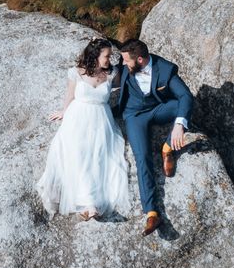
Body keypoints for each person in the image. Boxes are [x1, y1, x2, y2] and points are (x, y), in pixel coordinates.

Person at [36, 37, 130, 221]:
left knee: (97, 157)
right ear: (95, 55)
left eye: (110, 56)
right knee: (79, 154)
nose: (109, 60)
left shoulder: (112, 74)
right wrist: (64, 111)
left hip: (101, 120)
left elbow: (127, 82)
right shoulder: (76, 72)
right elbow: (70, 96)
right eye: (106, 56)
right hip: (78, 118)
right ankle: (87, 203)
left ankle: (90, 204)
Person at [114, 38, 193, 236]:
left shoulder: (164, 69)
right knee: (142, 158)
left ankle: (167, 148)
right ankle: (152, 213)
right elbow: (101, 66)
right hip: (134, 115)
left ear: (140, 59)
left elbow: (185, 96)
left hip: (157, 109)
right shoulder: (124, 65)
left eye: (126, 61)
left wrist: (177, 126)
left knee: (184, 106)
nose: (123, 64)